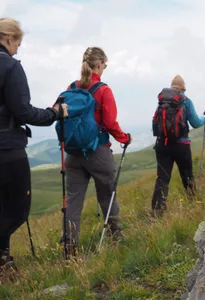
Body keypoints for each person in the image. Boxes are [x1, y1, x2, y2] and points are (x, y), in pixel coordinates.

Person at [0, 18, 68, 274]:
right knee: (18, 209)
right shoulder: (10, 66)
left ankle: (4, 262)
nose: (18, 48)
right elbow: (24, 111)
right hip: (7, 150)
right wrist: (55, 113)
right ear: (8, 39)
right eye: (18, 42)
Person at [62, 47, 131, 254]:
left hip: (73, 154)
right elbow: (110, 123)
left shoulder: (71, 87)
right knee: (107, 195)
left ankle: (70, 248)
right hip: (98, 152)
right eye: (105, 65)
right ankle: (116, 237)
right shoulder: (103, 90)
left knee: (73, 200)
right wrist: (124, 138)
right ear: (99, 64)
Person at [151, 75, 205, 217]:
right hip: (181, 145)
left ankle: (157, 211)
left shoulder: (162, 101)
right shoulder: (186, 101)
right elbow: (195, 122)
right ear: (183, 88)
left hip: (162, 144)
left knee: (162, 178)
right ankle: (193, 203)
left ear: (171, 87)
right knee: (187, 175)